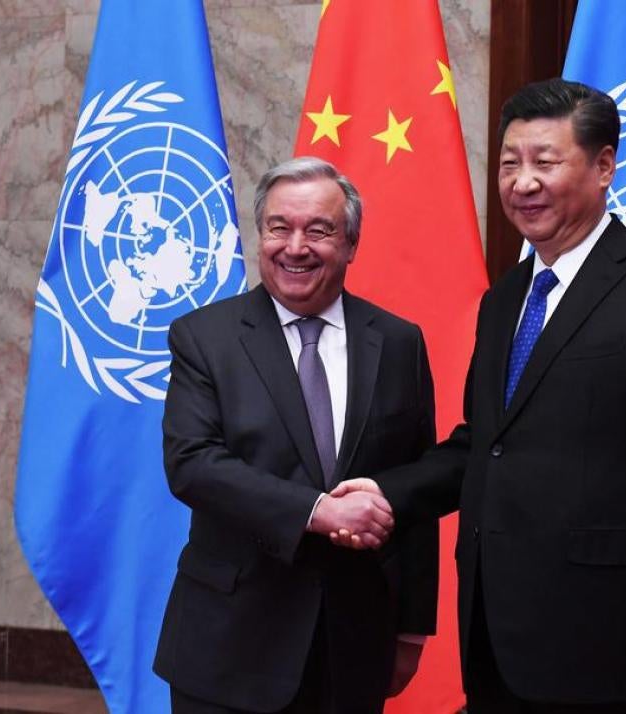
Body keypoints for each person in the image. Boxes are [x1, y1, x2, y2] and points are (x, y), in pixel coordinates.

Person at [332, 79, 626, 713]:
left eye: (545, 162)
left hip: (611, 637)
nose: (523, 183)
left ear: (604, 166)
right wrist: (389, 493)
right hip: (497, 630)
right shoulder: (505, 299)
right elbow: (486, 444)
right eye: (509, 164)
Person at [153, 157, 439, 713]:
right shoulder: (204, 338)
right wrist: (316, 511)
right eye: (279, 227)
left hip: (352, 646)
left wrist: (411, 628)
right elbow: (191, 463)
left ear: (351, 245)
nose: (295, 246)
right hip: (229, 648)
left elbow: (417, 483)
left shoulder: (399, 342)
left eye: (319, 230)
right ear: (261, 236)